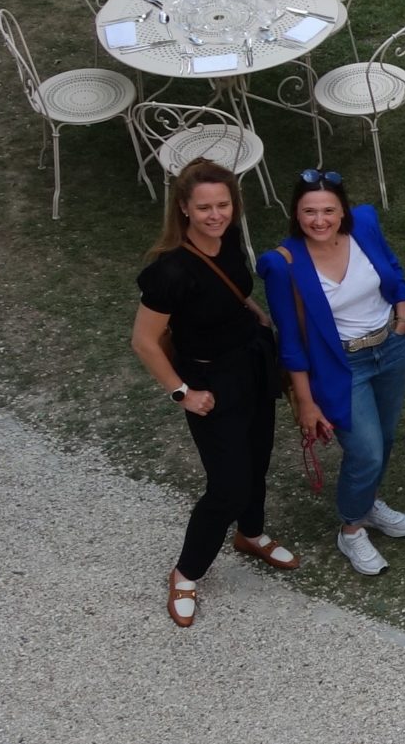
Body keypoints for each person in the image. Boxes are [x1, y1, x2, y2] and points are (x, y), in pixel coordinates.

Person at [130, 160, 293, 626]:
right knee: (227, 486)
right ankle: (185, 573)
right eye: (204, 207)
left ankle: (252, 534)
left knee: (258, 459)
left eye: (223, 205)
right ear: (184, 209)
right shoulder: (170, 272)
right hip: (210, 384)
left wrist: (253, 311)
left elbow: (234, 289)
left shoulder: (229, 241)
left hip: (252, 366)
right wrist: (182, 393)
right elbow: (143, 341)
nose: (215, 214)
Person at [258, 169, 405, 577]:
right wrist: (306, 402)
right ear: (295, 214)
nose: (319, 220)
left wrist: (402, 313)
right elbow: (292, 342)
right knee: (364, 449)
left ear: (343, 210)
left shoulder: (365, 224)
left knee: (384, 439)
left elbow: (392, 268)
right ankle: (351, 528)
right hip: (342, 365)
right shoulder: (284, 265)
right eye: (309, 211)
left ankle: (368, 504)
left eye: (328, 210)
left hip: (390, 345)